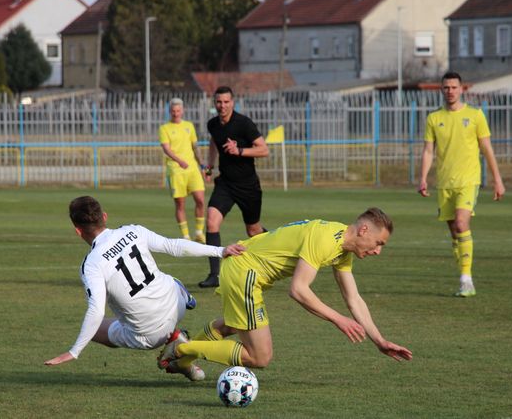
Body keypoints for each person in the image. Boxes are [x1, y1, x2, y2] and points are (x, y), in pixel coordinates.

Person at [157, 208, 413, 371]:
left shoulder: (342, 250)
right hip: (245, 271)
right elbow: (299, 290)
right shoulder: (325, 239)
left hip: (241, 268)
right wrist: (338, 320)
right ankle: (181, 349)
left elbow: (354, 299)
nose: (378, 251)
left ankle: (183, 359)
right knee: (260, 356)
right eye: (379, 243)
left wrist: (379, 340)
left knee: (236, 325)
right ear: (364, 229)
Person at [44, 196, 246, 381]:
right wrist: (220, 250)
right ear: (104, 217)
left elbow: (96, 310)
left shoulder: (91, 264)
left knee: (96, 329)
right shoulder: (133, 231)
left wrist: (74, 351)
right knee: (165, 278)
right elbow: (173, 246)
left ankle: (173, 344)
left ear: (78, 230)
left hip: (150, 336)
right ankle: (183, 313)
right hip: (177, 305)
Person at [417, 71, 506, 297]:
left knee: (461, 223)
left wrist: (497, 180)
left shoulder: (475, 116)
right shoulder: (433, 119)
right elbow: (429, 150)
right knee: (455, 233)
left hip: (468, 180)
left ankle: (467, 279)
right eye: (446, 87)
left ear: (461, 89)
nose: (450, 91)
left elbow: (487, 149)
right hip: (445, 182)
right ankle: (463, 277)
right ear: (442, 90)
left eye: (454, 87)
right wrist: (423, 177)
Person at [199, 86, 269, 288]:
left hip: (248, 185)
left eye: (226, 102)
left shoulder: (244, 124)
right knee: (211, 221)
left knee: (253, 231)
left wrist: (238, 150)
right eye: (219, 102)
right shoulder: (213, 124)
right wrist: (210, 167)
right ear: (215, 103)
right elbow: (214, 142)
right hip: (226, 184)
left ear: (233, 102)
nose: (222, 106)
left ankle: (278, 253)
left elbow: (264, 150)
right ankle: (214, 275)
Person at [159, 98, 206, 243]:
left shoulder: (189, 126)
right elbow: (166, 149)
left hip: (192, 169)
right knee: (180, 204)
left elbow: (195, 147)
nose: (176, 113)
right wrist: (180, 161)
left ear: (182, 111)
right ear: (170, 112)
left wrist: (203, 166)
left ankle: (199, 232)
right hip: (176, 170)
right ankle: (185, 236)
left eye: (178, 110)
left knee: (200, 200)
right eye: (173, 111)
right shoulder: (164, 128)